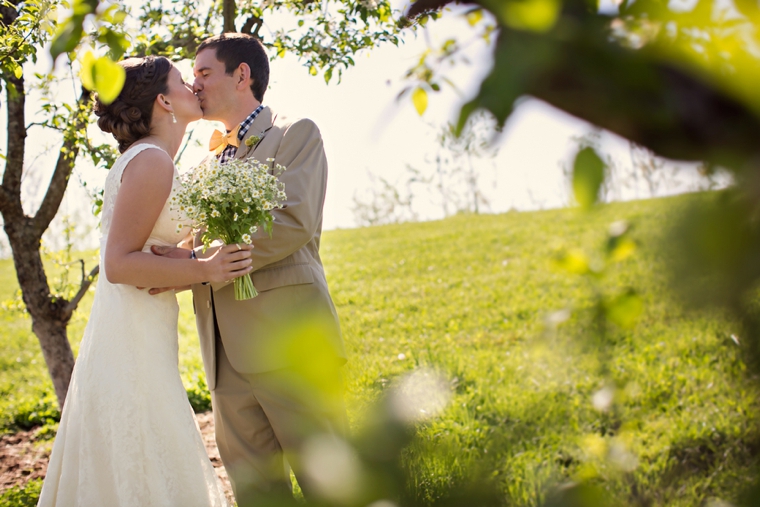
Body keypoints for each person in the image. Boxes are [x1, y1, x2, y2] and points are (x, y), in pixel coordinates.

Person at [37, 55, 253, 507]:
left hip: (141, 328)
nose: (193, 85)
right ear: (162, 100)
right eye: (181, 80)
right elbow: (119, 264)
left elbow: (151, 246)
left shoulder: (156, 160)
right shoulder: (152, 160)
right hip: (131, 336)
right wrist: (204, 268)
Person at [151, 33, 348, 505]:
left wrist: (201, 259)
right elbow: (190, 241)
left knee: (332, 485)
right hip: (223, 357)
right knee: (256, 493)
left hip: (288, 343)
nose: (194, 84)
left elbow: (292, 220)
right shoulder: (204, 162)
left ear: (242, 75)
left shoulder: (296, 132)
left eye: (203, 72)